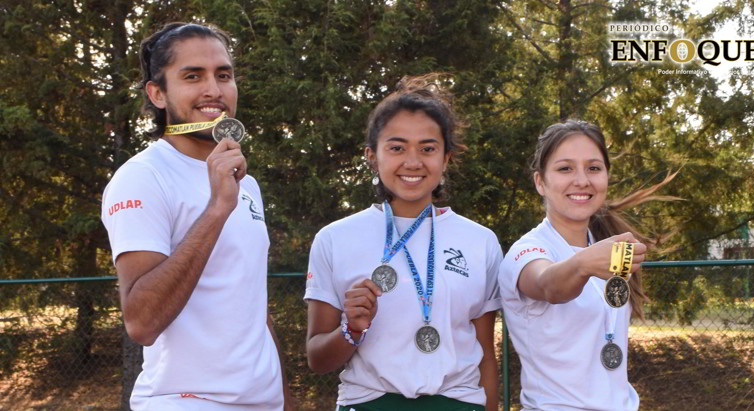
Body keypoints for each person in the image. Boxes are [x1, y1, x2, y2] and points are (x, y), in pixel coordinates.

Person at [101, 22, 290, 410]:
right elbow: (142, 322)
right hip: (184, 401)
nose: (214, 90)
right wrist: (217, 209)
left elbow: (250, 302)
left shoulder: (246, 184)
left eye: (224, 75)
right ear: (157, 93)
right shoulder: (142, 178)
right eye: (193, 76)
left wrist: (283, 398)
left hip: (262, 402)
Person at [304, 74, 501, 411]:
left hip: (457, 403)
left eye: (427, 148)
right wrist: (350, 329)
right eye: (397, 147)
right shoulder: (335, 238)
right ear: (372, 155)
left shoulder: (480, 241)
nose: (413, 162)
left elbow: (485, 354)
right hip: (368, 403)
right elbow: (318, 359)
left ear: (446, 158)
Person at [499, 120, 676, 410]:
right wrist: (582, 264)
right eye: (565, 168)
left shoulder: (607, 247)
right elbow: (549, 284)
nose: (582, 180)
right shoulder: (527, 251)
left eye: (593, 168)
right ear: (540, 182)